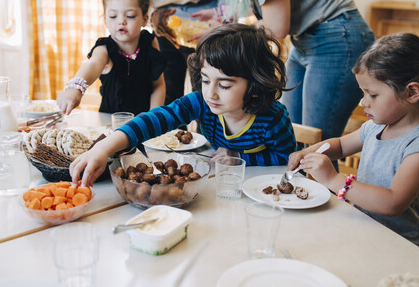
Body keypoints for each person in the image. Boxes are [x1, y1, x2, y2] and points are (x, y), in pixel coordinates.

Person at [70, 23, 296, 186]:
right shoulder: (201, 101)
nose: (211, 94)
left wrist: (238, 157)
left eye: (224, 85)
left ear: (255, 85)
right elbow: (154, 119)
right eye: (206, 80)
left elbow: (287, 159)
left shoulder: (274, 118)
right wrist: (103, 147)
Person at [289, 33, 419, 253]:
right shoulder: (377, 126)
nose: (364, 102)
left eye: (372, 94)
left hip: (403, 250)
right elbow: (341, 146)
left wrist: (334, 179)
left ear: (412, 92)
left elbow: (392, 202)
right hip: (366, 235)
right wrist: (310, 152)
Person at [222, 0, 375, 144]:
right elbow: (267, 3)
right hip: (305, 39)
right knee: (293, 135)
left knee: (318, 146)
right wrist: (220, 16)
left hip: (337, 37)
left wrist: (232, 31)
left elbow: (276, 27)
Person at [57, 0, 166, 116]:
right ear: (105, 21)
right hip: (110, 125)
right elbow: (92, 64)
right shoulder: (104, 48)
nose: (121, 21)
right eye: (113, 16)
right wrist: (75, 88)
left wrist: (153, 117)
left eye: (130, 16)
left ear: (145, 19)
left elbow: (158, 85)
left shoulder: (150, 42)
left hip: (142, 124)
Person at [140, 0, 224, 105]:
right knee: (169, 92)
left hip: (203, 22)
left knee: (206, 93)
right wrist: (151, 15)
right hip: (164, 21)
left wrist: (220, 20)